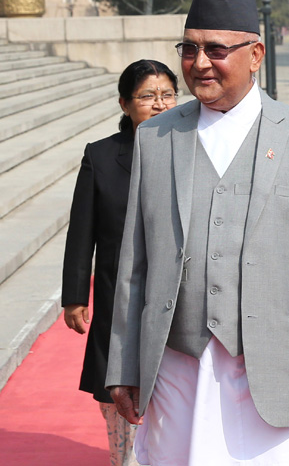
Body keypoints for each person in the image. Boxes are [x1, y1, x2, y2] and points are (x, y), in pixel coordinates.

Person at [105, 0, 289, 466]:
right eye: (190, 48)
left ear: (256, 53)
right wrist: (122, 362)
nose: (200, 63)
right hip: (178, 367)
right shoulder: (156, 139)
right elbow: (133, 264)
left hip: (276, 367)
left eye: (217, 49)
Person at [62, 59, 179, 466]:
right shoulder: (101, 156)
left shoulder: (194, 149)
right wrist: (75, 295)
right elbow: (82, 230)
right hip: (120, 297)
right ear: (125, 104)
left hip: (177, 298)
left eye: (167, 94)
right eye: (147, 96)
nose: (159, 104)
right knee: (117, 396)